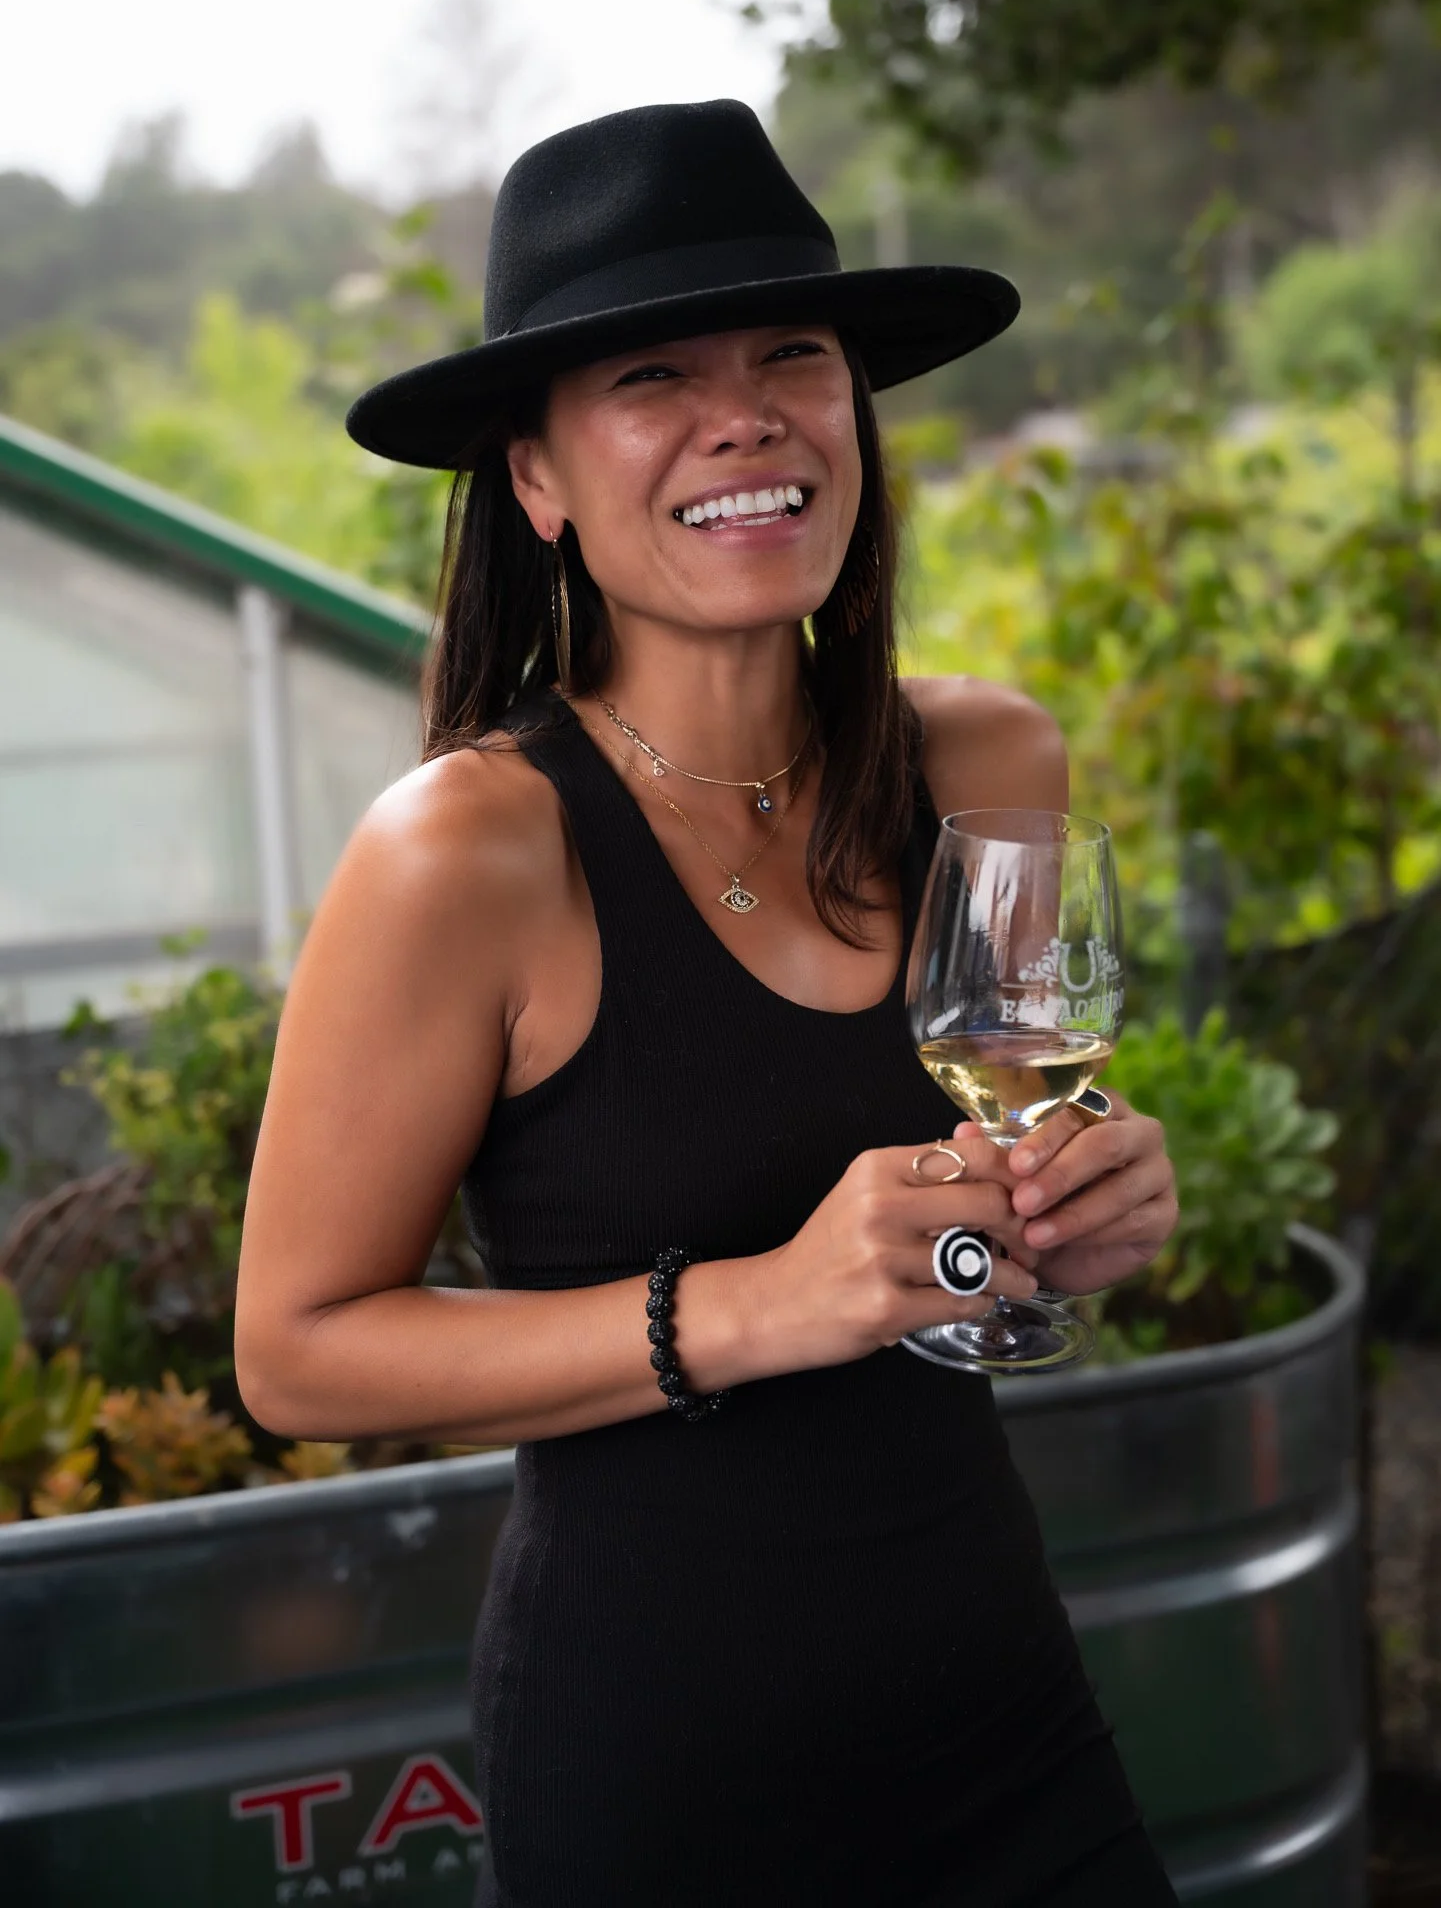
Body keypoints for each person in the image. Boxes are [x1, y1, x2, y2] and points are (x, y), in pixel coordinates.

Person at [235, 99, 1181, 1907]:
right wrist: (752, 1309)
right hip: (661, 1765)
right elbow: (295, 1351)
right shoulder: (469, 853)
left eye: (793, 357)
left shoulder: (991, 763)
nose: (746, 413)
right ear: (537, 479)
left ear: (853, 412)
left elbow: (1007, 1172)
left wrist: (1090, 1202)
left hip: (1000, 1702)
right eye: (653, 376)